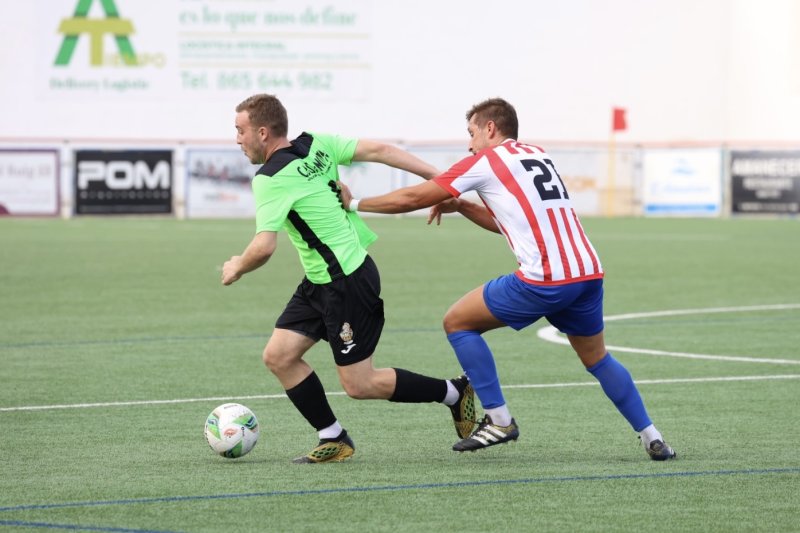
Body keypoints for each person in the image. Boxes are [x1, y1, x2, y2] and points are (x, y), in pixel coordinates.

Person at [340, 97, 676, 460]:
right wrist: (464, 206)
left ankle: (499, 419)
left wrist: (354, 203)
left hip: (544, 279)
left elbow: (413, 197)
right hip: (587, 273)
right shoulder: (537, 154)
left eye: (471, 133)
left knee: (457, 322)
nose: (469, 144)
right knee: (598, 360)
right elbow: (511, 225)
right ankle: (652, 436)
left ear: (490, 129)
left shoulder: (484, 161)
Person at [222, 93, 476, 464]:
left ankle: (454, 392)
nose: (237, 139)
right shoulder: (317, 143)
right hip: (320, 280)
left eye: (240, 131)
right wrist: (438, 178)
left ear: (262, 132)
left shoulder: (270, 178)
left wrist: (237, 266)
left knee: (360, 384)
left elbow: (263, 247)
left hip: (347, 281)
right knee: (279, 356)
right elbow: (383, 150)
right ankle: (334, 437)